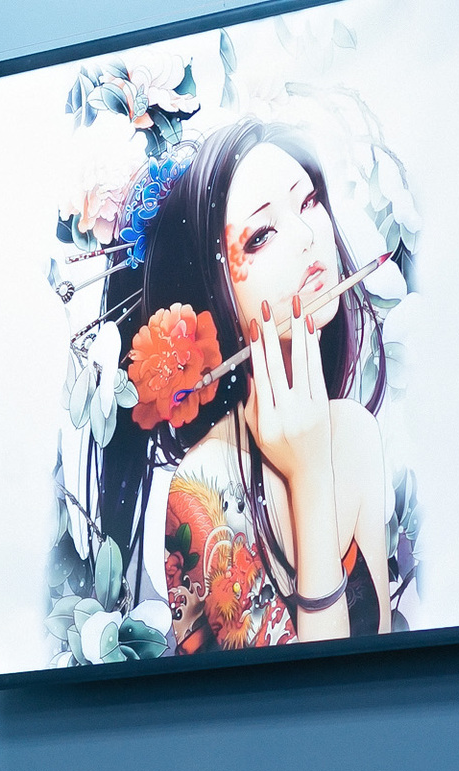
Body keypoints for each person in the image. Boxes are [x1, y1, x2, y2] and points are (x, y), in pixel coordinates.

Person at [95, 117, 396, 653]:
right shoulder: (203, 489)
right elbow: (305, 693)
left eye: (309, 202)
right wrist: (308, 476)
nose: (308, 236)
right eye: (261, 235)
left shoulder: (356, 433)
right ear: (212, 287)